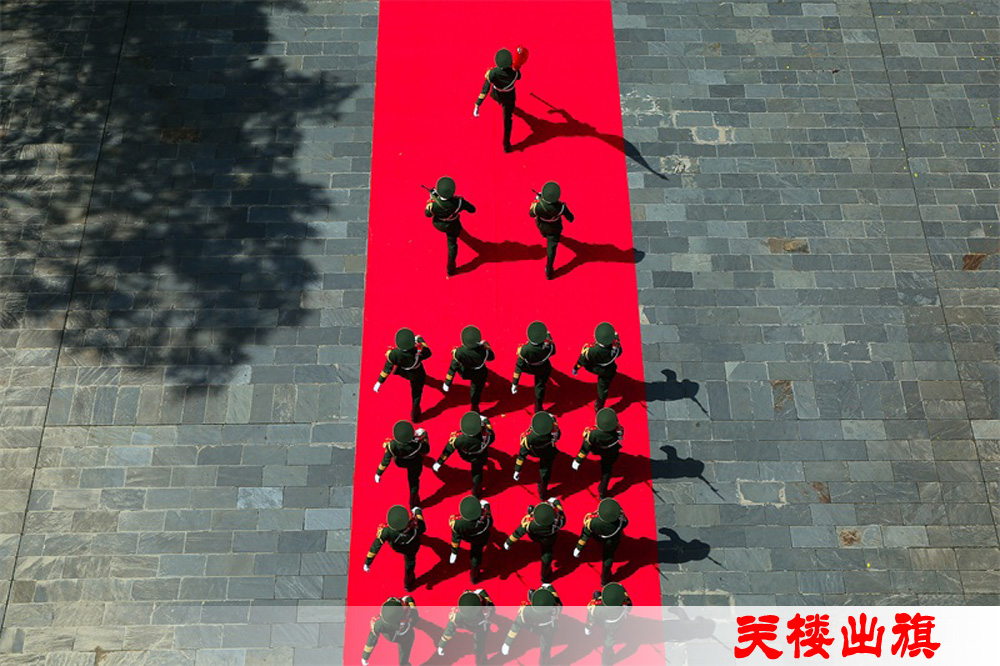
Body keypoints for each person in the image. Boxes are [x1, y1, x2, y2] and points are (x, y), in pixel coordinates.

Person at [373, 328, 432, 422]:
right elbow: (428, 353)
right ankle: (415, 414)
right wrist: (420, 339)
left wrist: (379, 381)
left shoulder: (393, 354)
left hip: (404, 372)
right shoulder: (418, 351)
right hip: (417, 373)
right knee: (416, 394)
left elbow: (387, 369)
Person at [365, 505, 426, 591]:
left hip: (397, 547)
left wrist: (367, 562)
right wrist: (418, 511)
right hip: (412, 546)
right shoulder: (416, 527)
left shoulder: (387, 532)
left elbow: (376, 546)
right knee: (410, 564)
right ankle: (408, 584)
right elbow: (423, 528)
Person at [504, 497, 565, 583]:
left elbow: (519, 531)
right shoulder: (560, 521)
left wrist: (509, 542)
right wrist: (555, 501)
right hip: (549, 539)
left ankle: (531, 512)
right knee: (547, 555)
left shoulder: (531, 525)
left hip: (535, 536)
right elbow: (560, 510)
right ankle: (544, 576)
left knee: (531, 512)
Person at [434, 411, 494, 497]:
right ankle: (476, 491)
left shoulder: (459, 439)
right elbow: (492, 435)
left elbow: (449, 449)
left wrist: (440, 462)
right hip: (480, 457)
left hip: (466, 456)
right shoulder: (487, 436)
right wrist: (485, 420)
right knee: (477, 473)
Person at [425, 176, 476, 276]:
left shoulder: (434, 205)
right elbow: (472, 210)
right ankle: (450, 269)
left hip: (439, 224)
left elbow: (427, 214)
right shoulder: (459, 202)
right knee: (452, 246)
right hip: (453, 225)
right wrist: (461, 202)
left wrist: (429, 204)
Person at [474, 48, 522, 153]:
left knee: (493, 95)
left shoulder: (492, 73)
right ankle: (506, 145)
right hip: (509, 97)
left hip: (498, 95)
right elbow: (519, 77)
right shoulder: (515, 73)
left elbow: (485, 89)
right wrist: (517, 67)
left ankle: (498, 101)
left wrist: (478, 104)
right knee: (507, 121)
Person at [500, 585, 563, 664]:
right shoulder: (557, 607)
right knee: (546, 647)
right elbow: (555, 598)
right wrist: (548, 587)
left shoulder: (526, 611)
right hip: (549, 628)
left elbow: (516, 626)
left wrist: (507, 643)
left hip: (533, 627)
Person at [375, 420, 430, 508]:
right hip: (415, 463)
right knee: (414, 482)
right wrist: (424, 435)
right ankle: (413, 501)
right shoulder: (417, 444)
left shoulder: (392, 445)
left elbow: (385, 461)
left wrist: (379, 473)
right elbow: (426, 450)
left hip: (401, 462)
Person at [573, 498, 628, 585]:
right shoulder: (621, 521)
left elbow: (585, 535)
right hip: (612, 540)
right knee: (608, 557)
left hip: (598, 537)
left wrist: (578, 548)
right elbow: (626, 522)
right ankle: (604, 579)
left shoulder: (593, 522)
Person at [572, 408, 624, 499]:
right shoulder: (619, 431)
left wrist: (578, 460)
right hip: (611, 452)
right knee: (607, 471)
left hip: (598, 449)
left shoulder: (592, 434)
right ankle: (602, 493)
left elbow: (585, 449)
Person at [529, 181, 575, 279]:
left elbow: (531, 214)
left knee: (544, 232)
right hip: (554, 229)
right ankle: (549, 271)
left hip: (542, 226)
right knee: (551, 251)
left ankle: (544, 235)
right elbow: (571, 218)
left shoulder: (538, 206)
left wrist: (537, 200)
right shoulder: (561, 207)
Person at [443, 325, 494, 412]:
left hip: (466, 372)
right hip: (480, 373)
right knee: (476, 390)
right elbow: (491, 357)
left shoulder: (459, 352)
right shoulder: (484, 351)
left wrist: (447, 382)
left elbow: (453, 367)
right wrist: (486, 345)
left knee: (457, 362)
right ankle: (475, 407)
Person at [437, 589, 495, 662]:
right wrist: (482, 593)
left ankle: (480, 656)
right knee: (480, 642)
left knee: (479, 642)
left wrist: (441, 645)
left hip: (467, 625)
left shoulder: (457, 616)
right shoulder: (486, 613)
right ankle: (480, 658)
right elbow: (492, 608)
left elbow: (449, 631)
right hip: (479, 627)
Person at [573, 322, 621, 410]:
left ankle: (599, 405)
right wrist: (617, 342)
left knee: (587, 366)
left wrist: (576, 367)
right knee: (604, 389)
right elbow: (619, 352)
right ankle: (599, 406)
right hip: (610, 369)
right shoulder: (615, 347)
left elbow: (582, 360)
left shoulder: (592, 350)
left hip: (598, 368)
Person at [514, 411, 561, 498]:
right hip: (548, 452)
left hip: (535, 452)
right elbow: (558, 436)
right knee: (545, 473)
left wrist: (517, 469)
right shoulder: (554, 430)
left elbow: (522, 455)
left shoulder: (529, 438)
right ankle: (542, 494)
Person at [512, 321, 556, 413]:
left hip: (529, 368)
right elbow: (553, 351)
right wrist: (548, 336)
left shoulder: (524, 349)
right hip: (543, 369)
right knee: (540, 387)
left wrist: (515, 383)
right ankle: (538, 408)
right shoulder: (548, 348)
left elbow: (519, 366)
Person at [361, 596, 418, 666]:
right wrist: (409, 601)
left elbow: (371, 640)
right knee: (405, 651)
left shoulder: (379, 624)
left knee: (405, 652)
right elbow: (414, 616)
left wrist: (365, 657)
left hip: (391, 636)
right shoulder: (412, 618)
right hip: (405, 636)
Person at [449, 496, 493, 584]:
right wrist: (486, 505)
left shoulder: (457, 523)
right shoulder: (485, 519)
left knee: (456, 537)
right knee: (476, 556)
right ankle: (473, 576)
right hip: (479, 539)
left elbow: (455, 536)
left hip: (466, 536)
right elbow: (490, 521)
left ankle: (454, 553)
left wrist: (454, 550)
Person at [586, 583, 633, 665]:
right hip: (617, 622)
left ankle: (605, 662)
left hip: (607, 624)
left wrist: (588, 627)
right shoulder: (625, 603)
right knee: (609, 639)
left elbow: (591, 615)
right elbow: (629, 604)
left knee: (608, 643)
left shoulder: (596, 608)